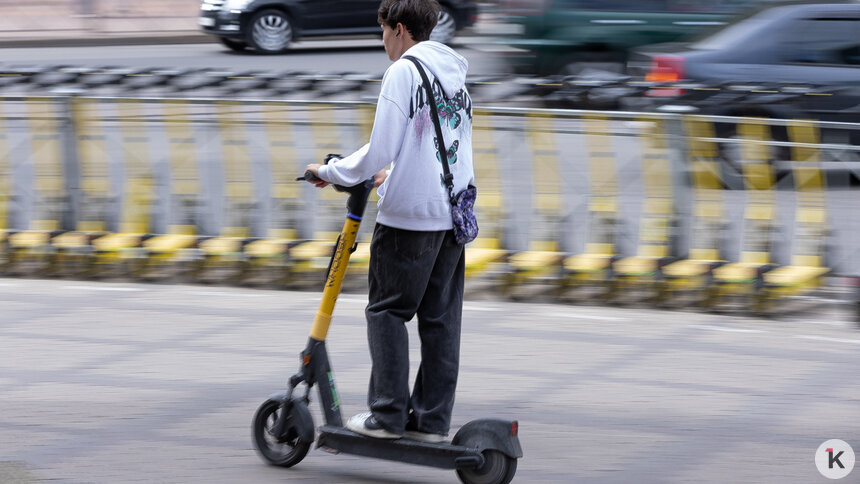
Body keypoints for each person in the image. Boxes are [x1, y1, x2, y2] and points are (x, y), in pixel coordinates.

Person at [303, 0, 473, 444]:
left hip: (410, 220)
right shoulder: (452, 74)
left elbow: (379, 149)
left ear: (399, 29)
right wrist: (389, 173)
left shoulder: (403, 72)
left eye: (382, 31)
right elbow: (441, 146)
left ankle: (387, 416)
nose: (381, 41)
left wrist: (330, 171)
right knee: (440, 321)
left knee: (386, 312)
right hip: (454, 215)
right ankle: (432, 422)